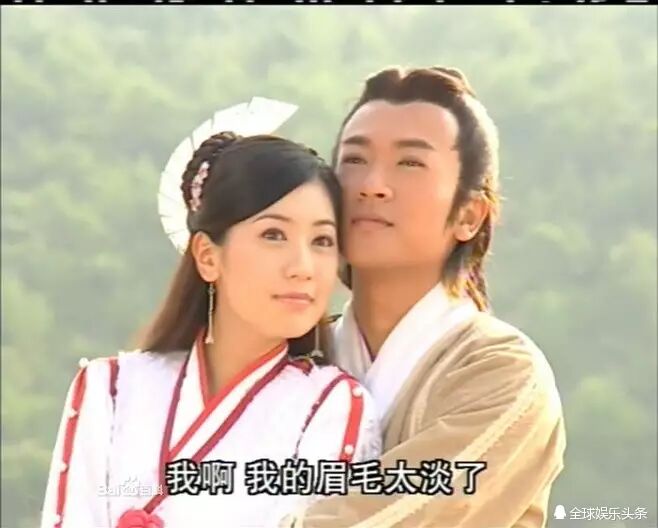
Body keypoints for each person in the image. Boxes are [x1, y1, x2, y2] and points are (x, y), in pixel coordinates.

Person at [40, 130, 382, 528]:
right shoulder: (110, 389)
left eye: (322, 240)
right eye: (274, 235)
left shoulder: (332, 406)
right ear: (207, 255)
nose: (303, 267)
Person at [282, 67, 567, 527]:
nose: (372, 184)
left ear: (469, 215)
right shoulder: (293, 353)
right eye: (354, 159)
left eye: (410, 163)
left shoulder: (502, 374)